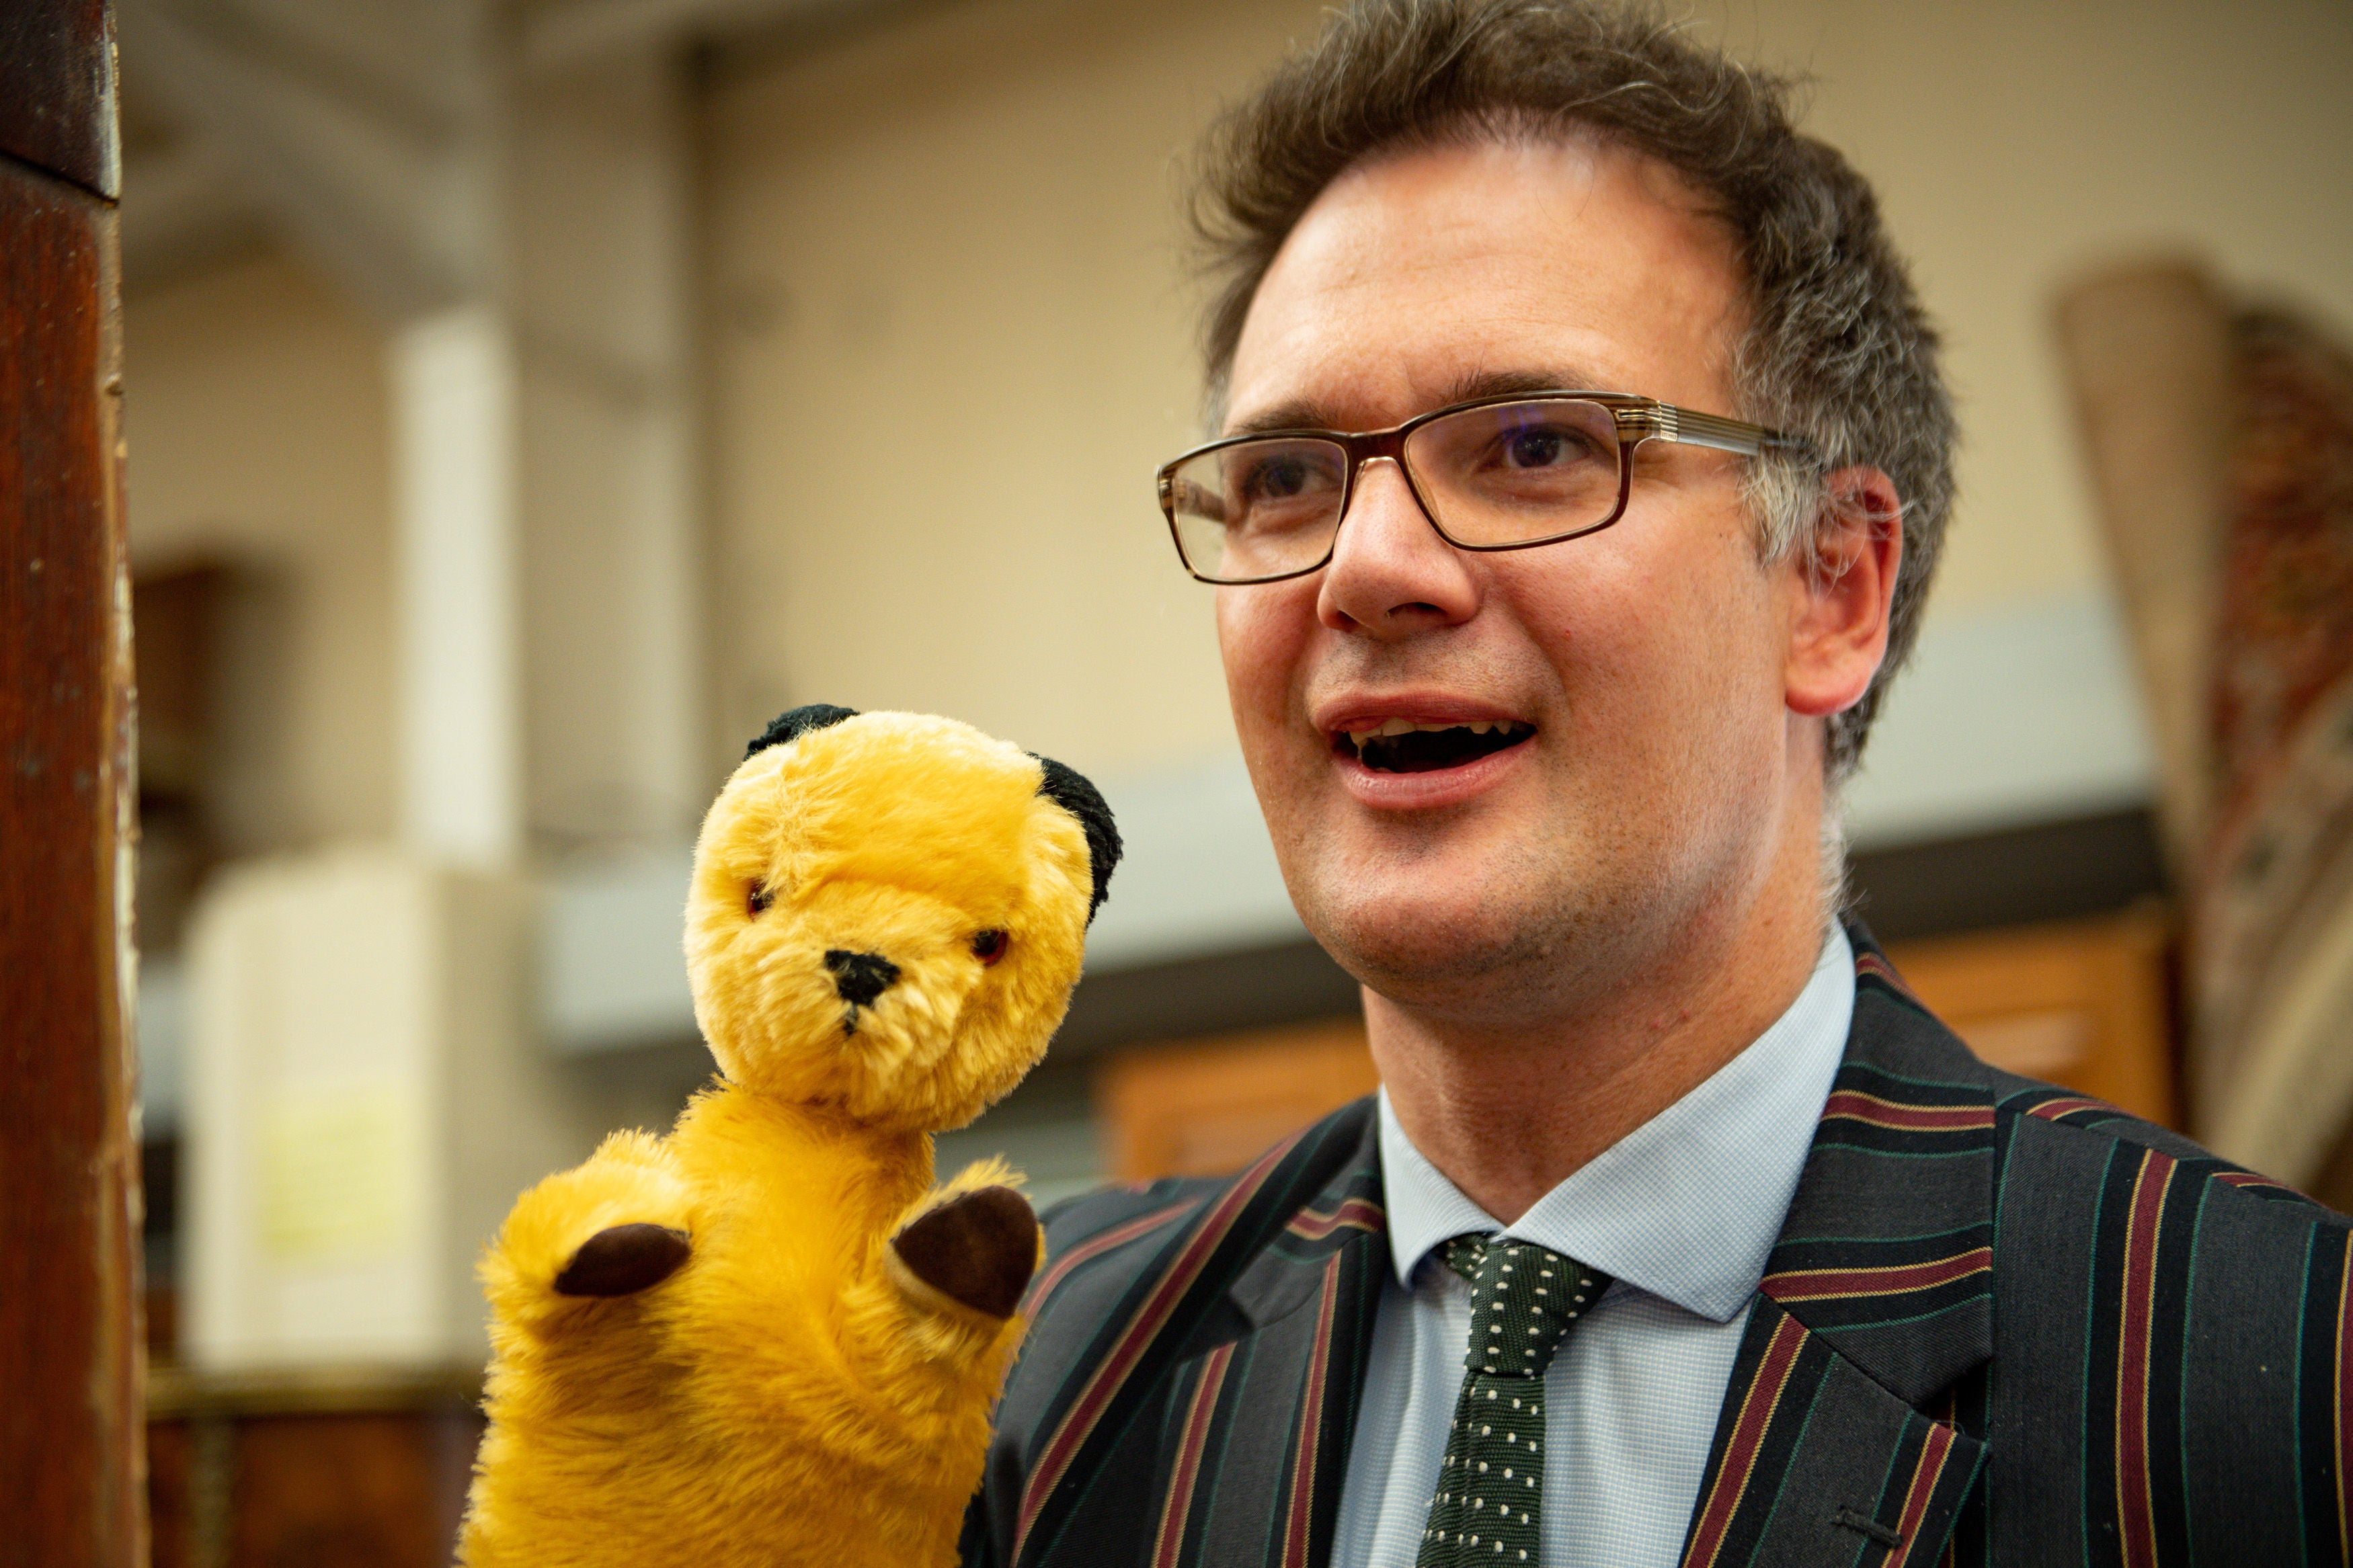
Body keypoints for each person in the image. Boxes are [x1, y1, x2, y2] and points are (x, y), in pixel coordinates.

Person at [959, 3, 2350, 1564]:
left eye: (1536, 445)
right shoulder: (1034, 1380)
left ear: (1831, 584)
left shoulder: (2270, 1376)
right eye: (1285, 481)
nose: (1366, 571)